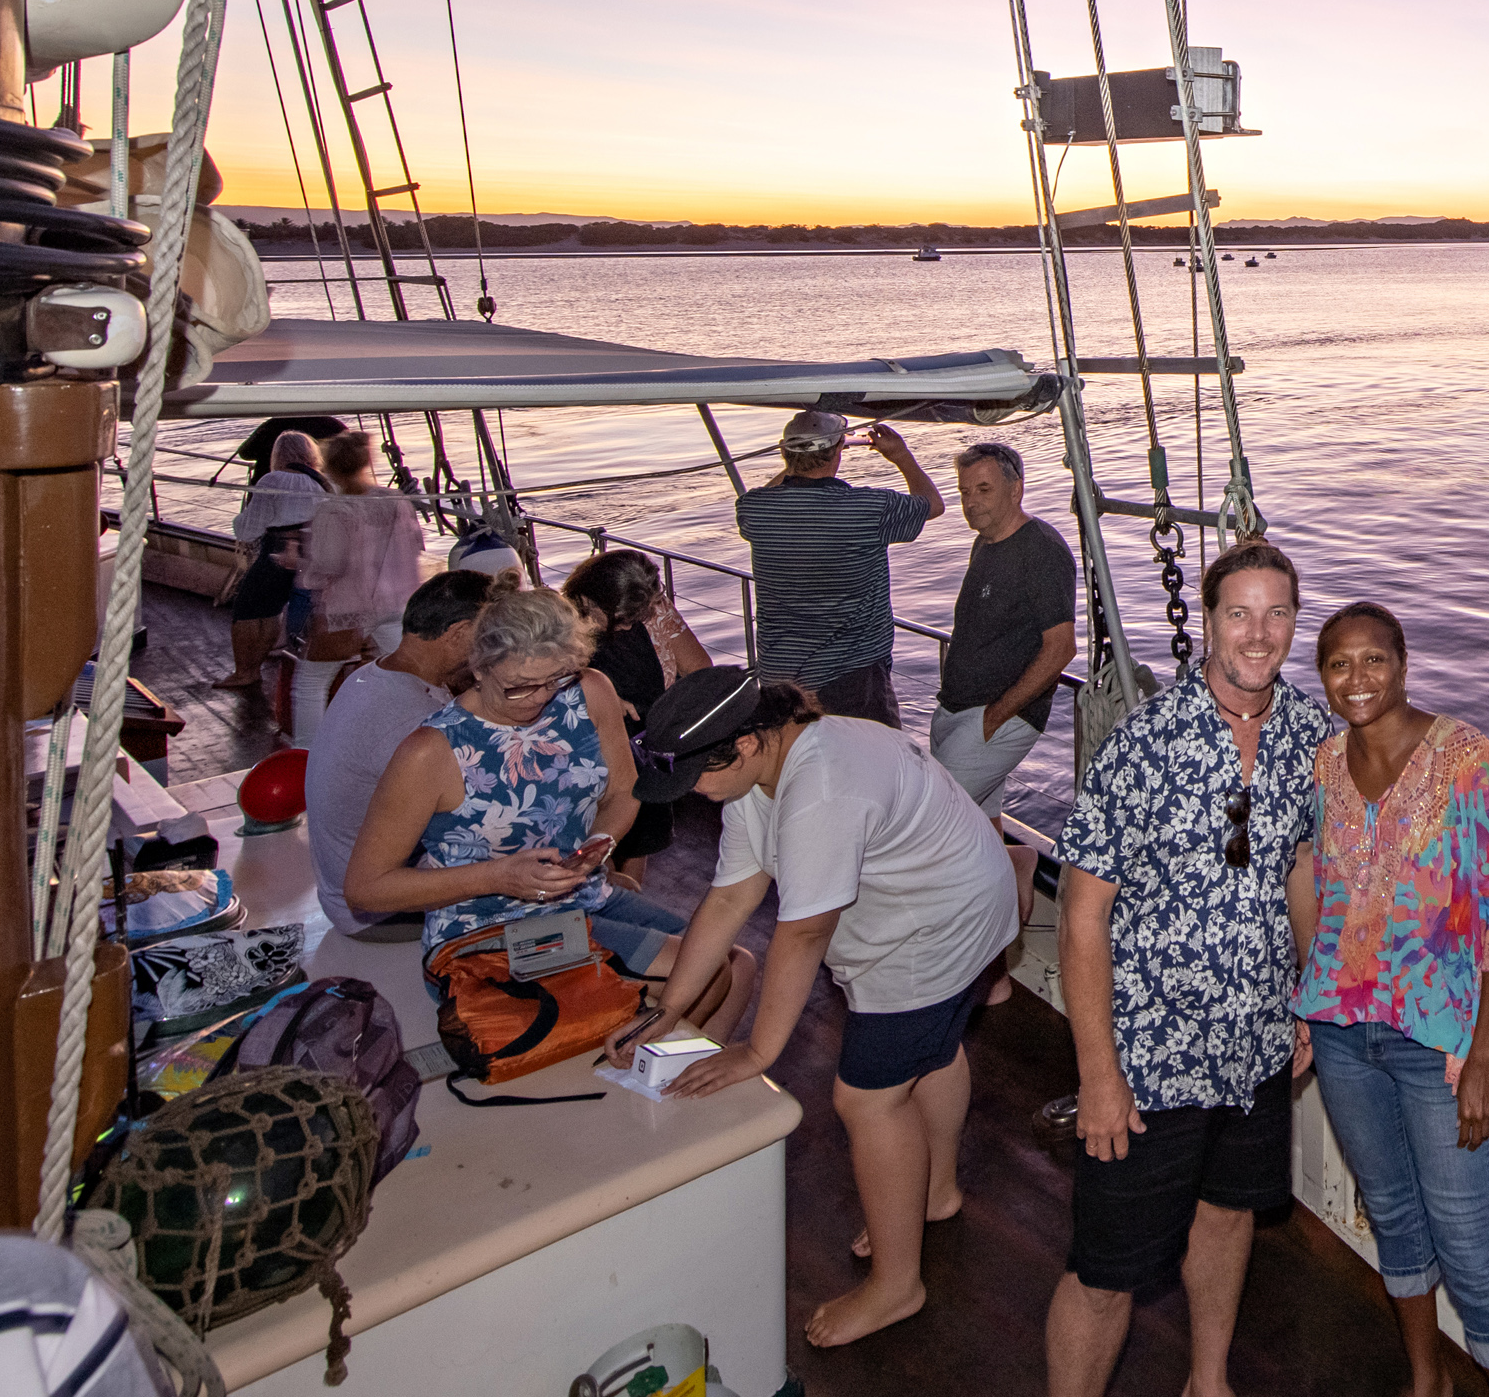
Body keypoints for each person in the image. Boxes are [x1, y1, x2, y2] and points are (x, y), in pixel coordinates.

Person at [628, 669, 1019, 1349]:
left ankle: (898, 1285)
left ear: (746, 742)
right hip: (966, 897)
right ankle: (935, 1191)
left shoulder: (820, 784)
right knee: (935, 1049)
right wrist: (670, 1010)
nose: (689, 792)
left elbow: (803, 932)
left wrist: (758, 1051)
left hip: (934, 930)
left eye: (693, 776)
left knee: (866, 1100)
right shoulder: (763, 774)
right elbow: (729, 899)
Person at [1046, 539, 1325, 1397]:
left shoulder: (1310, 731)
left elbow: (1303, 869)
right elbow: (1081, 916)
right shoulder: (1143, 746)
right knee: (1106, 1270)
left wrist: (1307, 999)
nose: (1258, 632)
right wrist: (1099, 1074)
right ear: (1207, 621)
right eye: (1238, 612)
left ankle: (1208, 1379)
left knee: (1230, 1209)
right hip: (1150, 1062)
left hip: (1255, 1047)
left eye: (1276, 612)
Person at [1292, 603, 1489, 1396]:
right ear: (1323, 677)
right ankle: (1424, 1381)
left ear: (1403, 663)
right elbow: (1325, 893)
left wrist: (1480, 1055)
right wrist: (1307, 1005)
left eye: (1373, 659)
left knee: (1469, 1247)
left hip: (1438, 1041)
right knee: (1394, 1216)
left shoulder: (1465, 756)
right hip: (1340, 1034)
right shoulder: (1325, 765)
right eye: (1339, 663)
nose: (1357, 678)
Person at [342, 589, 706, 980]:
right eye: (519, 686)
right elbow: (366, 888)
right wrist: (497, 877)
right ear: (479, 668)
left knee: (726, 959)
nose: (540, 697)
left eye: (555, 679)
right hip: (487, 930)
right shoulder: (431, 751)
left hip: (584, 896)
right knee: (700, 971)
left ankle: (643, 1039)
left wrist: (596, 847)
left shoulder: (589, 691)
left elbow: (622, 790)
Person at [929, 439, 1074, 941]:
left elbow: (1060, 649)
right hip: (957, 711)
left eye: (984, 489)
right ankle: (1016, 870)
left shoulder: (1042, 551)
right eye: (965, 491)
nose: (972, 502)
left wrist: (997, 718)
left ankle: (955, 942)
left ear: (1016, 488)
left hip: (998, 720)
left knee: (929, 825)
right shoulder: (984, 544)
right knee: (981, 831)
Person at [303, 570, 494, 938]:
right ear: (459, 634)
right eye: (495, 638)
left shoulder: (370, 675)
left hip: (340, 889)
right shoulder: (412, 723)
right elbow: (480, 818)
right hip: (375, 912)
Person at [734, 410, 944, 727]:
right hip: (852, 677)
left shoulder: (754, 510)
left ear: (783, 451)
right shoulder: (870, 508)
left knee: (796, 769)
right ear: (837, 453)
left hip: (781, 678)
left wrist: (792, 464)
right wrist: (901, 455)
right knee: (869, 767)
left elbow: (769, 492)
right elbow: (932, 503)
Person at [562, 548, 713, 886]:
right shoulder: (557, 620)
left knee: (640, 835)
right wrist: (600, 694)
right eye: (621, 618)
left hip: (643, 740)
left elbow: (700, 669)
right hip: (585, 744)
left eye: (636, 616)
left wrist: (670, 722)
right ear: (588, 600)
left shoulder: (654, 609)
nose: (630, 624)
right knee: (590, 833)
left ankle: (628, 902)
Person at [298, 430, 428, 667]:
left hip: (352, 606)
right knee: (405, 672)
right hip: (398, 599)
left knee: (313, 677)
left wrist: (303, 571)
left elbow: (331, 565)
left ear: (329, 469)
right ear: (366, 462)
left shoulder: (333, 510)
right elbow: (416, 545)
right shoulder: (396, 499)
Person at [218, 430, 326, 690]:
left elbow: (248, 529)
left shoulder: (272, 480)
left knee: (246, 608)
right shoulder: (321, 482)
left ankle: (245, 671)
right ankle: (254, 668)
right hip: (307, 552)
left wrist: (237, 521)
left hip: (277, 550)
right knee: (273, 608)